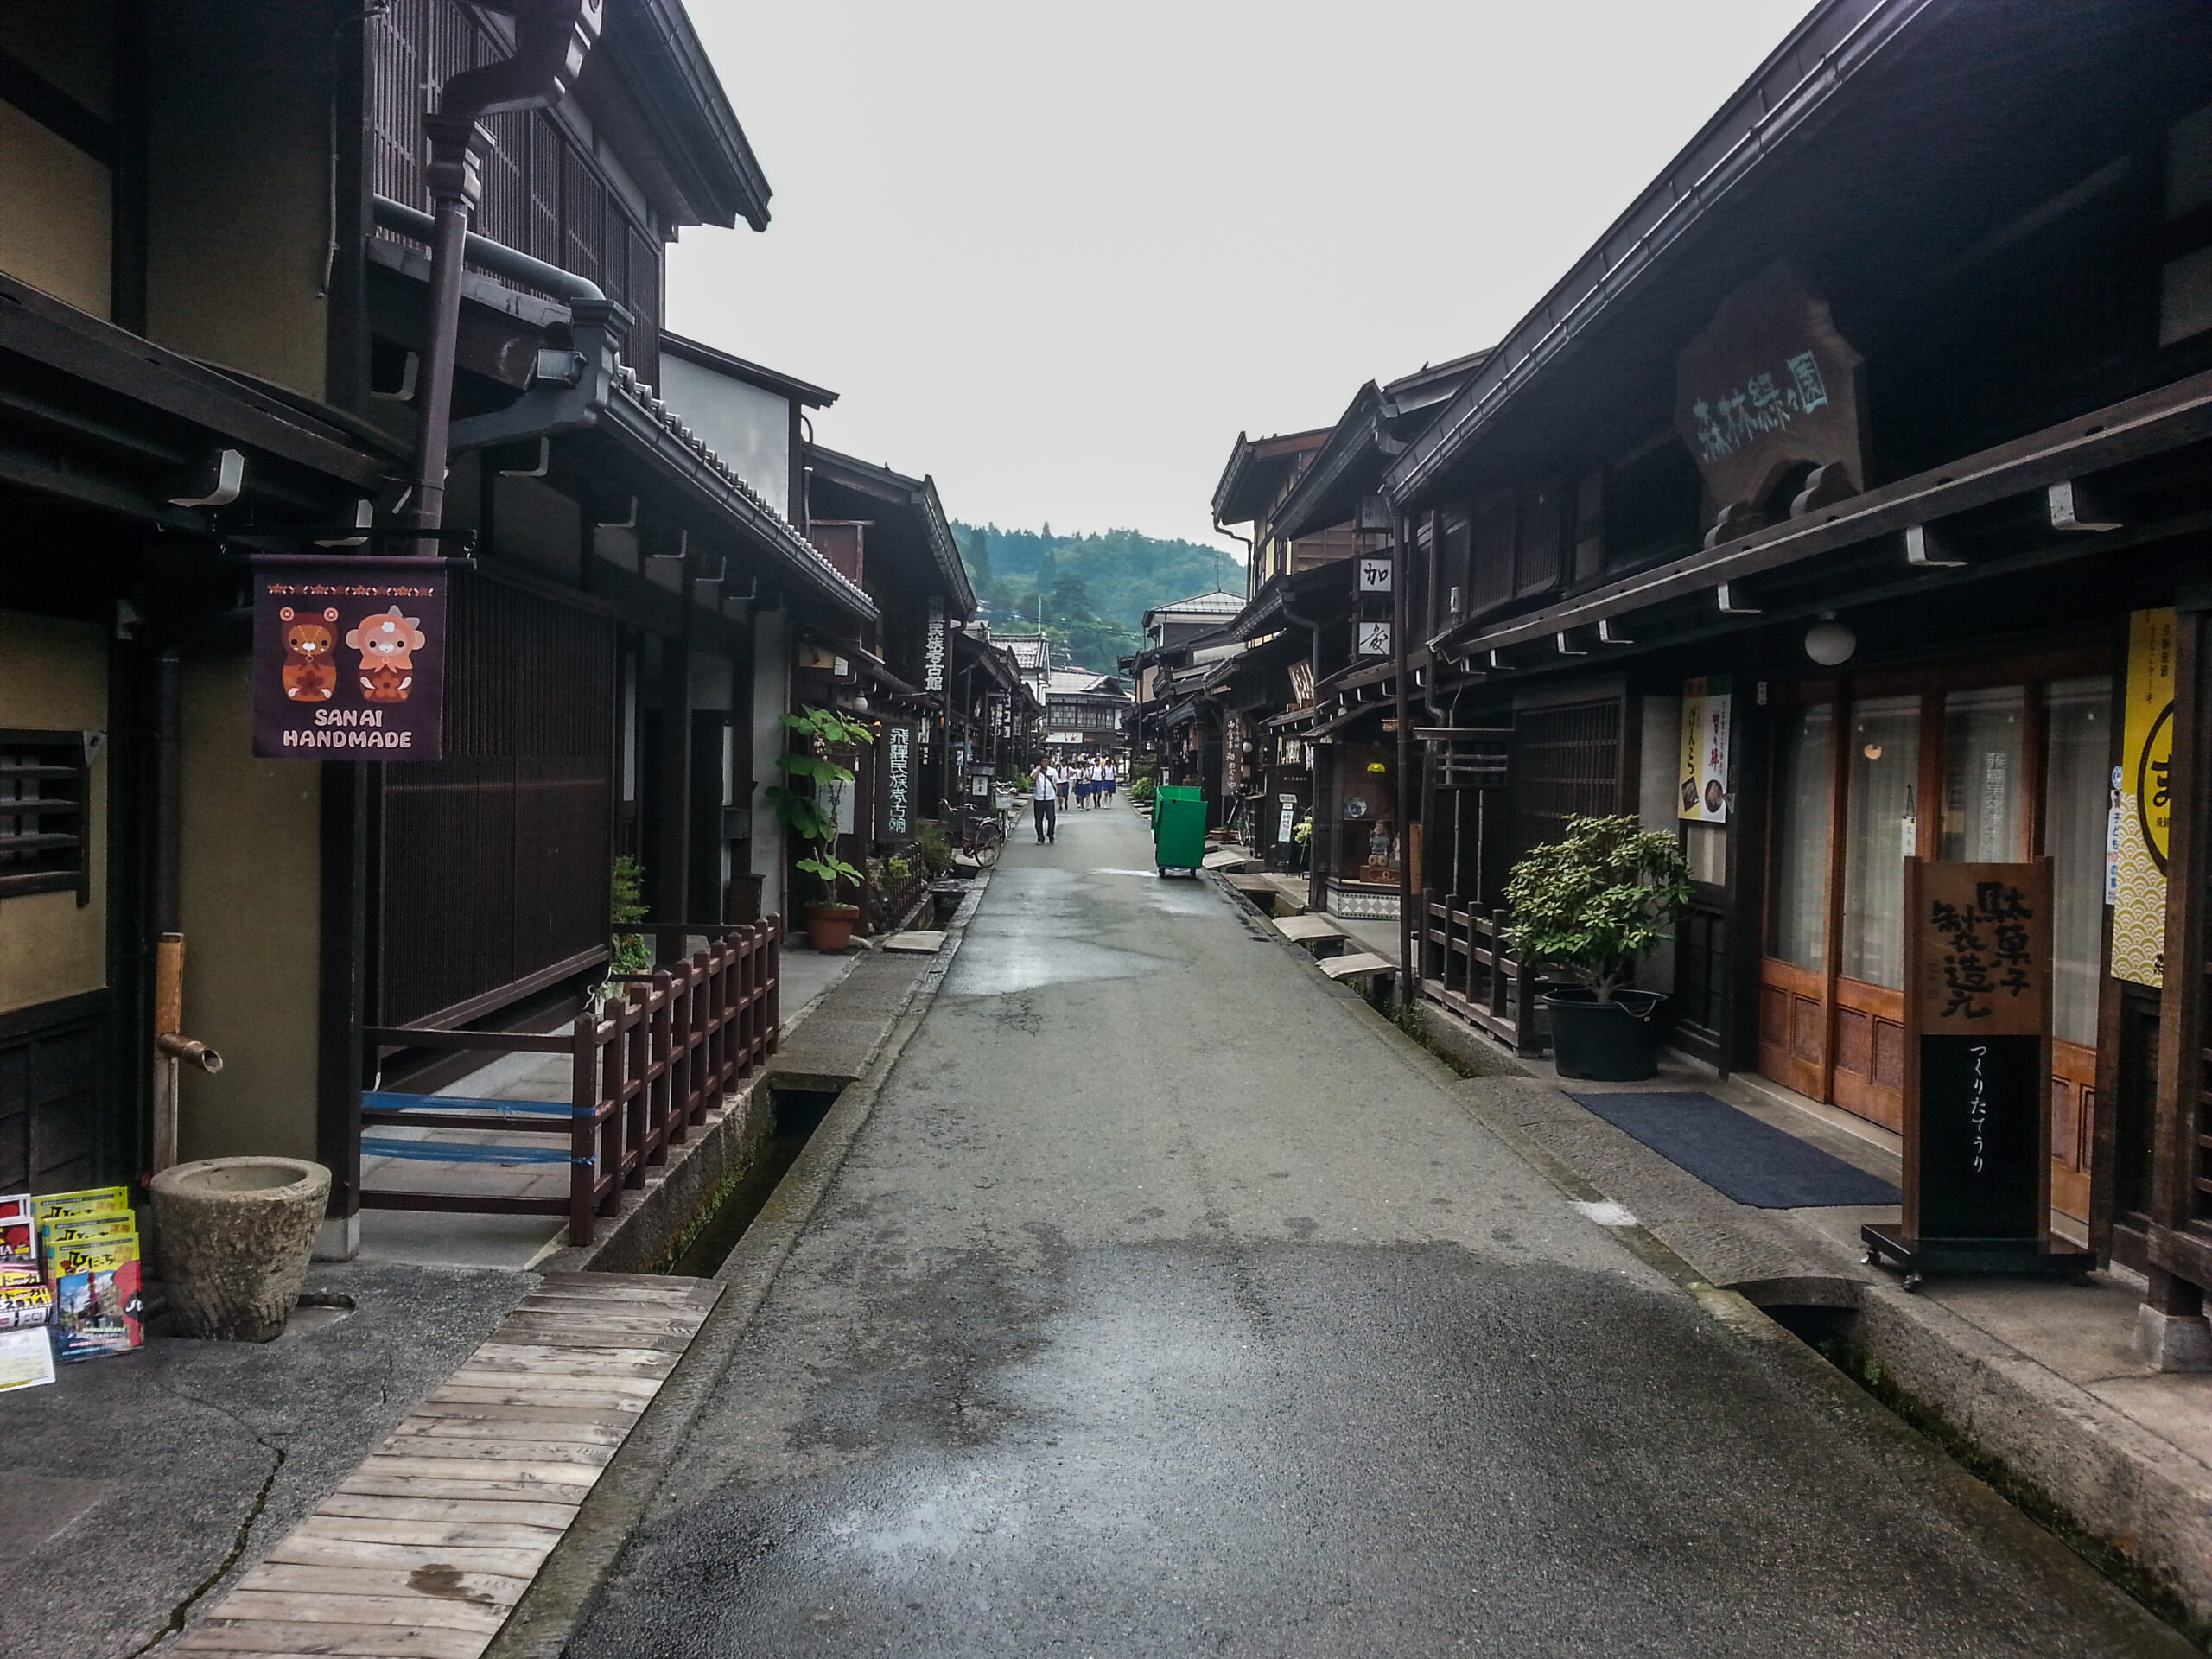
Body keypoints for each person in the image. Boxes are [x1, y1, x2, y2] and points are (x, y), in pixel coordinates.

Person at [1030, 762, 1059, 843]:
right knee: (1038, 819)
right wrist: (1038, 770)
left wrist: (1060, 795)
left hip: (1050, 798)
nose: (1045, 763)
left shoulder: (1052, 771)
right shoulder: (1036, 771)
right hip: (1039, 798)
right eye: (1043, 761)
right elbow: (1033, 778)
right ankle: (1040, 838)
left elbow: (1057, 782)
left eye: (1046, 761)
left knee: (1051, 818)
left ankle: (1050, 835)